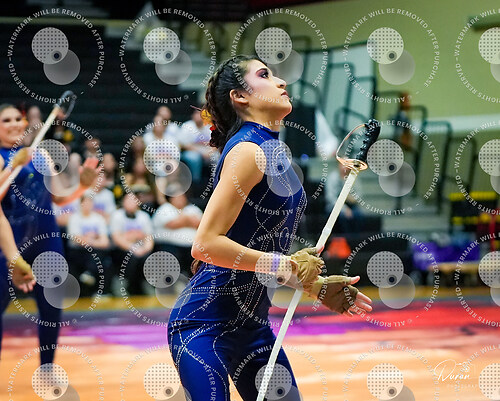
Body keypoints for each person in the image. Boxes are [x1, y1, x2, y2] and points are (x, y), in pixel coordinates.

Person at [167, 56, 373, 400]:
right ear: (240, 96)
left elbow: (257, 254)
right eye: (264, 75)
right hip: (202, 325)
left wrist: (313, 285)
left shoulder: (275, 152)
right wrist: (286, 264)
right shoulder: (248, 151)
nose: (281, 81)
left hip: (252, 330)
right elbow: (205, 245)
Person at [0, 104, 100, 364]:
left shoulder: (41, 154)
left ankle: (47, 368)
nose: (14, 123)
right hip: (10, 242)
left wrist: (83, 186)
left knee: (51, 307)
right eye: (6, 120)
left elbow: (58, 197)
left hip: (46, 239)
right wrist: (12, 166)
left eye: (17, 118)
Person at [110, 192, 154, 295]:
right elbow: (117, 238)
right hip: (122, 249)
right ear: (123, 202)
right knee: (130, 258)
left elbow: (149, 238)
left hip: (141, 248)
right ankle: (123, 284)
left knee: (149, 258)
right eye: (128, 200)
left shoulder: (144, 216)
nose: (131, 203)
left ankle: (145, 284)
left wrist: (146, 249)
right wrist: (133, 246)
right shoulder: (117, 215)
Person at [66, 195, 111, 293]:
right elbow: (77, 240)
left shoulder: (99, 218)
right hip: (78, 251)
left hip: (95, 250)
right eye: (85, 202)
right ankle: (89, 274)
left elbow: (105, 242)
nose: (87, 205)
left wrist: (88, 240)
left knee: (99, 253)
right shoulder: (74, 218)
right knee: (94, 254)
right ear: (80, 204)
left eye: (90, 202)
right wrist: (94, 238)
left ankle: (89, 274)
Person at [152, 191, 202, 278]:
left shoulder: (193, 208)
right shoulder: (165, 208)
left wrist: (183, 220)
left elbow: (201, 224)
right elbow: (172, 224)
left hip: (192, 247)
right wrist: (188, 219)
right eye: (177, 197)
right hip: (169, 246)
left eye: (182, 197)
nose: (180, 199)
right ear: (171, 199)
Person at [179, 108, 213, 182]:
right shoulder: (187, 126)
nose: (199, 116)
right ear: (193, 115)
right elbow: (183, 144)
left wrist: (210, 152)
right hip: (191, 151)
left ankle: (216, 179)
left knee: (217, 156)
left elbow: (216, 143)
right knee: (194, 158)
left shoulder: (209, 126)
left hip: (207, 151)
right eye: (196, 114)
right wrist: (201, 152)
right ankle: (195, 181)